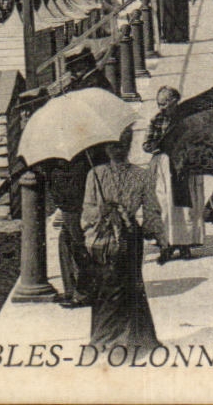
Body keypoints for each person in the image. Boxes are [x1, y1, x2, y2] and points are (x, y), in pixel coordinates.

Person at [82, 129, 162, 350]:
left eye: (121, 145)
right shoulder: (95, 174)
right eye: (112, 145)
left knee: (129, 287)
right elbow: (86, 211)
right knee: (105, 288)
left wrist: (153, 232)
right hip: (103, 238)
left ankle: (130, 339)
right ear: (106, 148)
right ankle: (103, 339)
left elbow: (151, 209)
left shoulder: (141, 174)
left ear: (128, 147)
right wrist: (102, 210)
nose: (116, 150)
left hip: (128, 238)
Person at [144, 87, 204, 263]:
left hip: (185, 164)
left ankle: (185, 244)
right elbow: (146, 145)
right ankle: (167, 244)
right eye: (159, 104)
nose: (162, 107)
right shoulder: (157, 120)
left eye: (165, 103)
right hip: (165, 164)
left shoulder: (189, 118)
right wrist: (159, 144)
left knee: (187, 206)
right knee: (166, 204)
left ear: (175, 102)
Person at [51, 147, 98, 308]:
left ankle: (83, 293)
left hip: (74, 200)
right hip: (70, 200)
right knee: (66, 242)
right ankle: (72, 290)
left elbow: (67, 174)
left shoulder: (73, 152)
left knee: (78, 246)